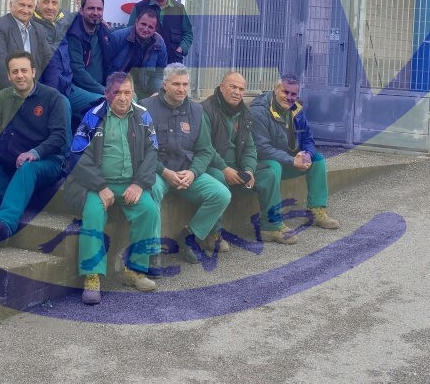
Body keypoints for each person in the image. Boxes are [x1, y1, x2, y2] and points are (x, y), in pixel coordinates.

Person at [65, 72, 163, 304]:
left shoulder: (143, 115)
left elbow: (152, 152)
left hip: (131, 183)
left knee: (149, 210)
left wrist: (139, 184)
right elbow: (77, 155)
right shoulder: (92, 117)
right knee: (93, 214)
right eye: (117, 92)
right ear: (107, 93)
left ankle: (134, 271)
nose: (123, 97)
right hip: (98, 184)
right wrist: (99, 186)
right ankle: (92, 276)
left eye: (127, 92)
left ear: (133, 93)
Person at [0, 51, 70, 243]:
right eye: (14, 72)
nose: (20, 75)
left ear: (33, 72)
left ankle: (5, 224)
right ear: (8, 75)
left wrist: (36, 152)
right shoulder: (4, 96)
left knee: (27, 168)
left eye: (24, 70)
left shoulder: (53, 98)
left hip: (48, 160)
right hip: (13, 153)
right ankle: (1, 195)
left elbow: (60, 137)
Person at [141, 63, 231, 264]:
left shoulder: (197, 111)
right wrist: (165, 172)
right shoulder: (146, 107)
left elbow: (205, 150)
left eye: (185, 84)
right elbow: (142, 149)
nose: (181, 89)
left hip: (186, 173)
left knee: (221, 194)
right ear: (165, 85)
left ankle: (190, 237)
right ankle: (152, 252)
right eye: (176, 84)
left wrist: (193, 172)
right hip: (159, 172)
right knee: (151, 190)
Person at [201, 71, 296, 245]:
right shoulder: (205, 110)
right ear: (221, 87)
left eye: (241, 89)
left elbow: (250, 147)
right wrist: (225, 169)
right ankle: (212, 234)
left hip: (238, 166)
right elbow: (205, 148)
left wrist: (249, 170)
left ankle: (271, 227)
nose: (237, 92)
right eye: (233, 87)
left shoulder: (244, 111)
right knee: (217, 178)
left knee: (269, 172)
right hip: (214, 167)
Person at [250, 75, 339, 232]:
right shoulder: (258, 111)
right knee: (274, 168)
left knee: (317, 160)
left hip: (287, 160)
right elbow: (261, 148)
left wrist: (307, 155)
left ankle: (316, 211)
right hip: (262, 163)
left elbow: (308, 138)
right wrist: (292, 160)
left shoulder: (296, 109)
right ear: (275, 90)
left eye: (293, 94)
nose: (289, 97)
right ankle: (272, 225)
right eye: (285, 92)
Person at [62, 0, 112, 121]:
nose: (95, 12)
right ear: (81, 10)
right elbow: (77, 72)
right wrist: (104, 90)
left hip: (99, 86)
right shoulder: (74, 34)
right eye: (91, 8)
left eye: (99, 9)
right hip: (76, 88)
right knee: (105, 103)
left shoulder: (102, 30)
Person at [127, 0, 192, 64]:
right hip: (144, 63)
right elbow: (130, 33)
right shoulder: (139, 8)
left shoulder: (179, 9)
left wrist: (181, 49)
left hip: (172, 62)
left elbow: (188, 33)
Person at [108, 9, 167, 98]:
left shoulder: (159, 44)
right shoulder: (117, 37)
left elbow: (159, 74)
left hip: (143, 91)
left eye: (150, 27)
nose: (146, 29)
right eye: (143, 24)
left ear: (155, 29)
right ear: (136, 22)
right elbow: (105, 67)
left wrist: (157, 94)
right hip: (117, 88)